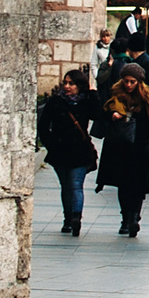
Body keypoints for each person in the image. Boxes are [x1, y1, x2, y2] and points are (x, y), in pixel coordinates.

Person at [97, 59, 149, 237]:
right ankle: (125, 218)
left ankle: (134, 216)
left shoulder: (147, 95)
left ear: (139, 82)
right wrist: (112, 115)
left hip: (140, 144)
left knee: (138, 183)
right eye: (126, 81)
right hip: (120, 145)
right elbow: (103, 113)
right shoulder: (116, 94)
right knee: (123, 184)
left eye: (132, 82)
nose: (128, 85)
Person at [36, 69, 99, 237]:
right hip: (60, 150)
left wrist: (93, 94)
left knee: (75, 184)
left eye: (71, 83)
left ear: (80, 85)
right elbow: (43, 124)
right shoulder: (56, 101)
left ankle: (76, 218)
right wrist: (50, 143)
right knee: (66, 186)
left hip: (79, 150)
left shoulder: (86, 101)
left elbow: (98, 114)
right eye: (65, 82)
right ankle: (68, 218)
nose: (67, 86)